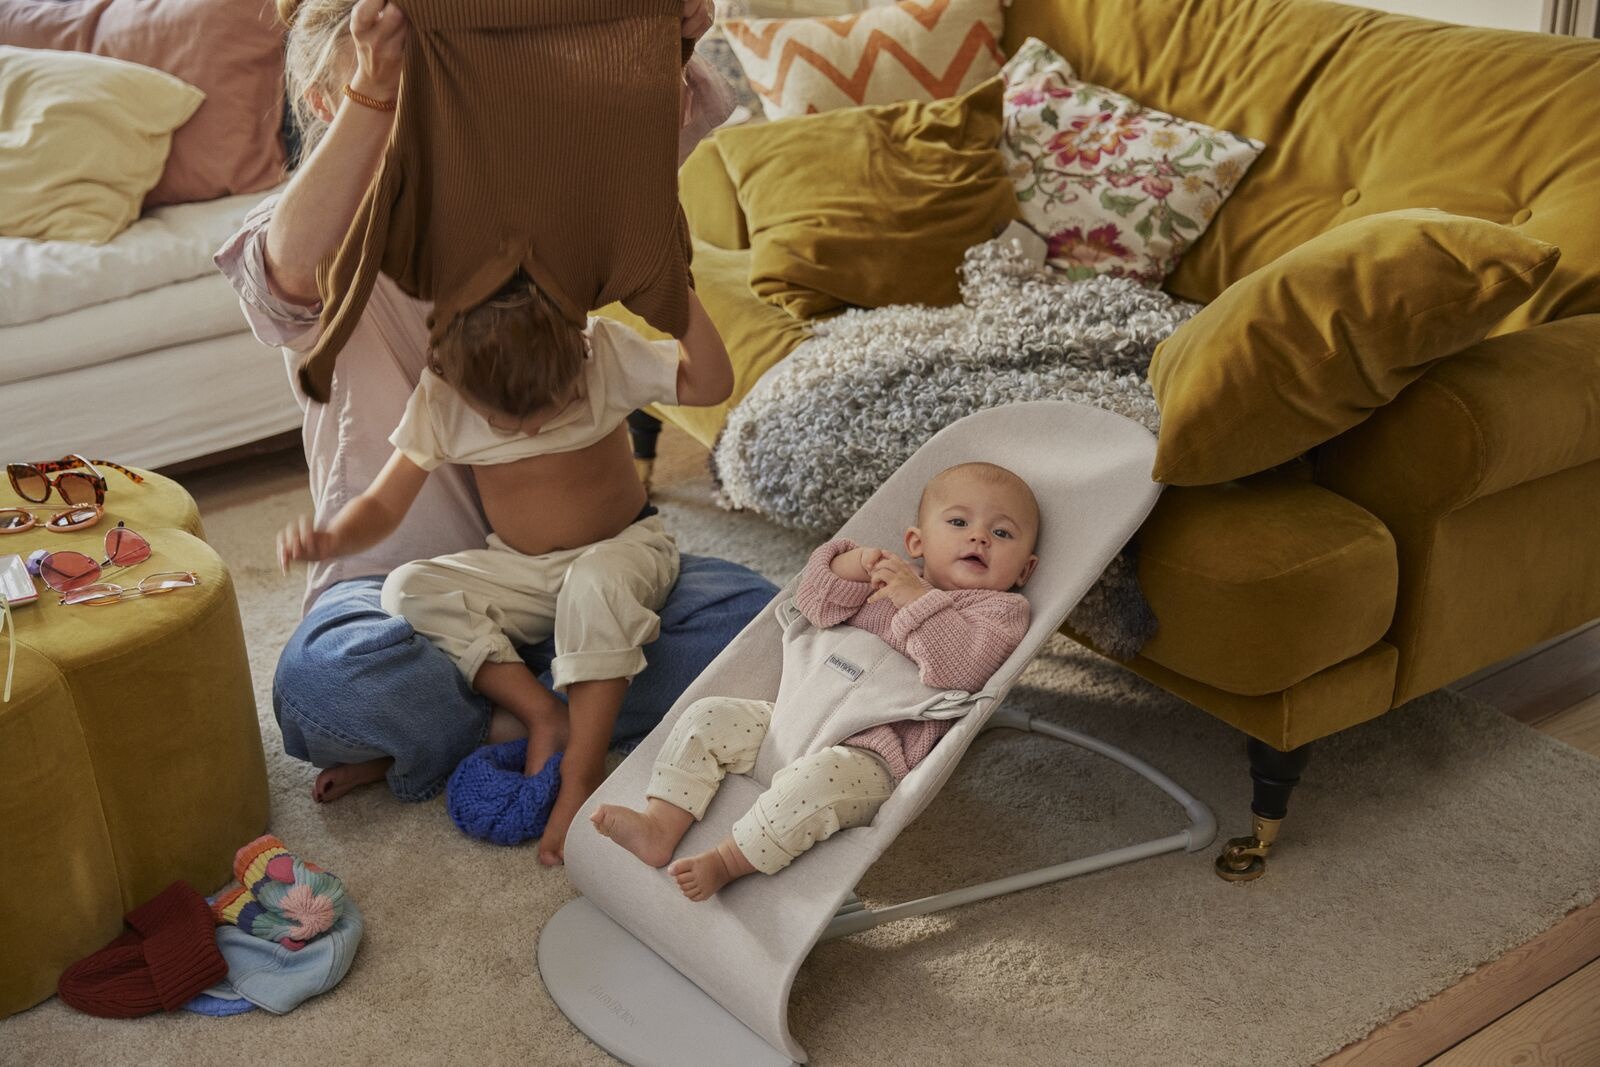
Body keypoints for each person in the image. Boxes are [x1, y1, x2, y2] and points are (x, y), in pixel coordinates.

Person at [215, 0, 774, 825]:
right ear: (327, 102)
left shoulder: (538, 192)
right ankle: (563, 698)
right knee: (324, 682)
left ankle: (483, 718)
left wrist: (674, 32)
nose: (429, 113)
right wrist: (377, 92)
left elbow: (645, 128)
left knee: (762, 622)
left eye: (444, 85)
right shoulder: (323, 236)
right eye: (404, 92)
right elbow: (286, 270)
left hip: (583, 565)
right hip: (415, 601)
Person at [277, 270, 734, 864]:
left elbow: (710, 383)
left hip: (625, 551)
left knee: (749, 627)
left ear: (579, 351)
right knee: (408, 586)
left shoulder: (605, 354)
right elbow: (384, 506)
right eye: (505, 419)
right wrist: (332, 537)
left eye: (555, 402)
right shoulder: (443, 398)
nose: (533, 427)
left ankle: (581, 768)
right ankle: (542, 712)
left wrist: (677, 295)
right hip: (522, 572)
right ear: (452, 377)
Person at [592, 463, 1038, 899]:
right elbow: (815, 607)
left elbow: (963, 669)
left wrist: (917, 600)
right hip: (785, 720)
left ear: (1024, 570)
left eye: (1002, 533)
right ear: (916, 542)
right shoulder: (884, 580)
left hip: (869, 754)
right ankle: (660, 824)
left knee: (818, 786)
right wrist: (851, 565)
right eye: (959, 522)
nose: (979, 537)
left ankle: (728, 861)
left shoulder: (999, 612)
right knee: (707, 716)